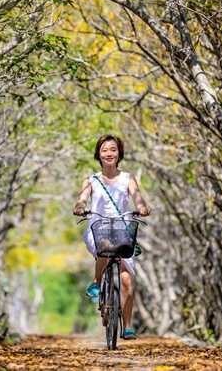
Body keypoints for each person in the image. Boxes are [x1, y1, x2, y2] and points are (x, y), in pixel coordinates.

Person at [73, 134, 151, 340]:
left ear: (119, 154)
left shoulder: (128, 178)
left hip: (121, 230)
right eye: (105, 150)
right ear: (99, 154)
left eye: (113, 150)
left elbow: (137, 196)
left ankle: (127, 326)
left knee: (126, 279)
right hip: (97, 227)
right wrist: (80, 206)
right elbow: (82, 198)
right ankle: (97, 280)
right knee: (103, 243)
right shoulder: (91, 180)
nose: (109, 153)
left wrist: (141, 207)